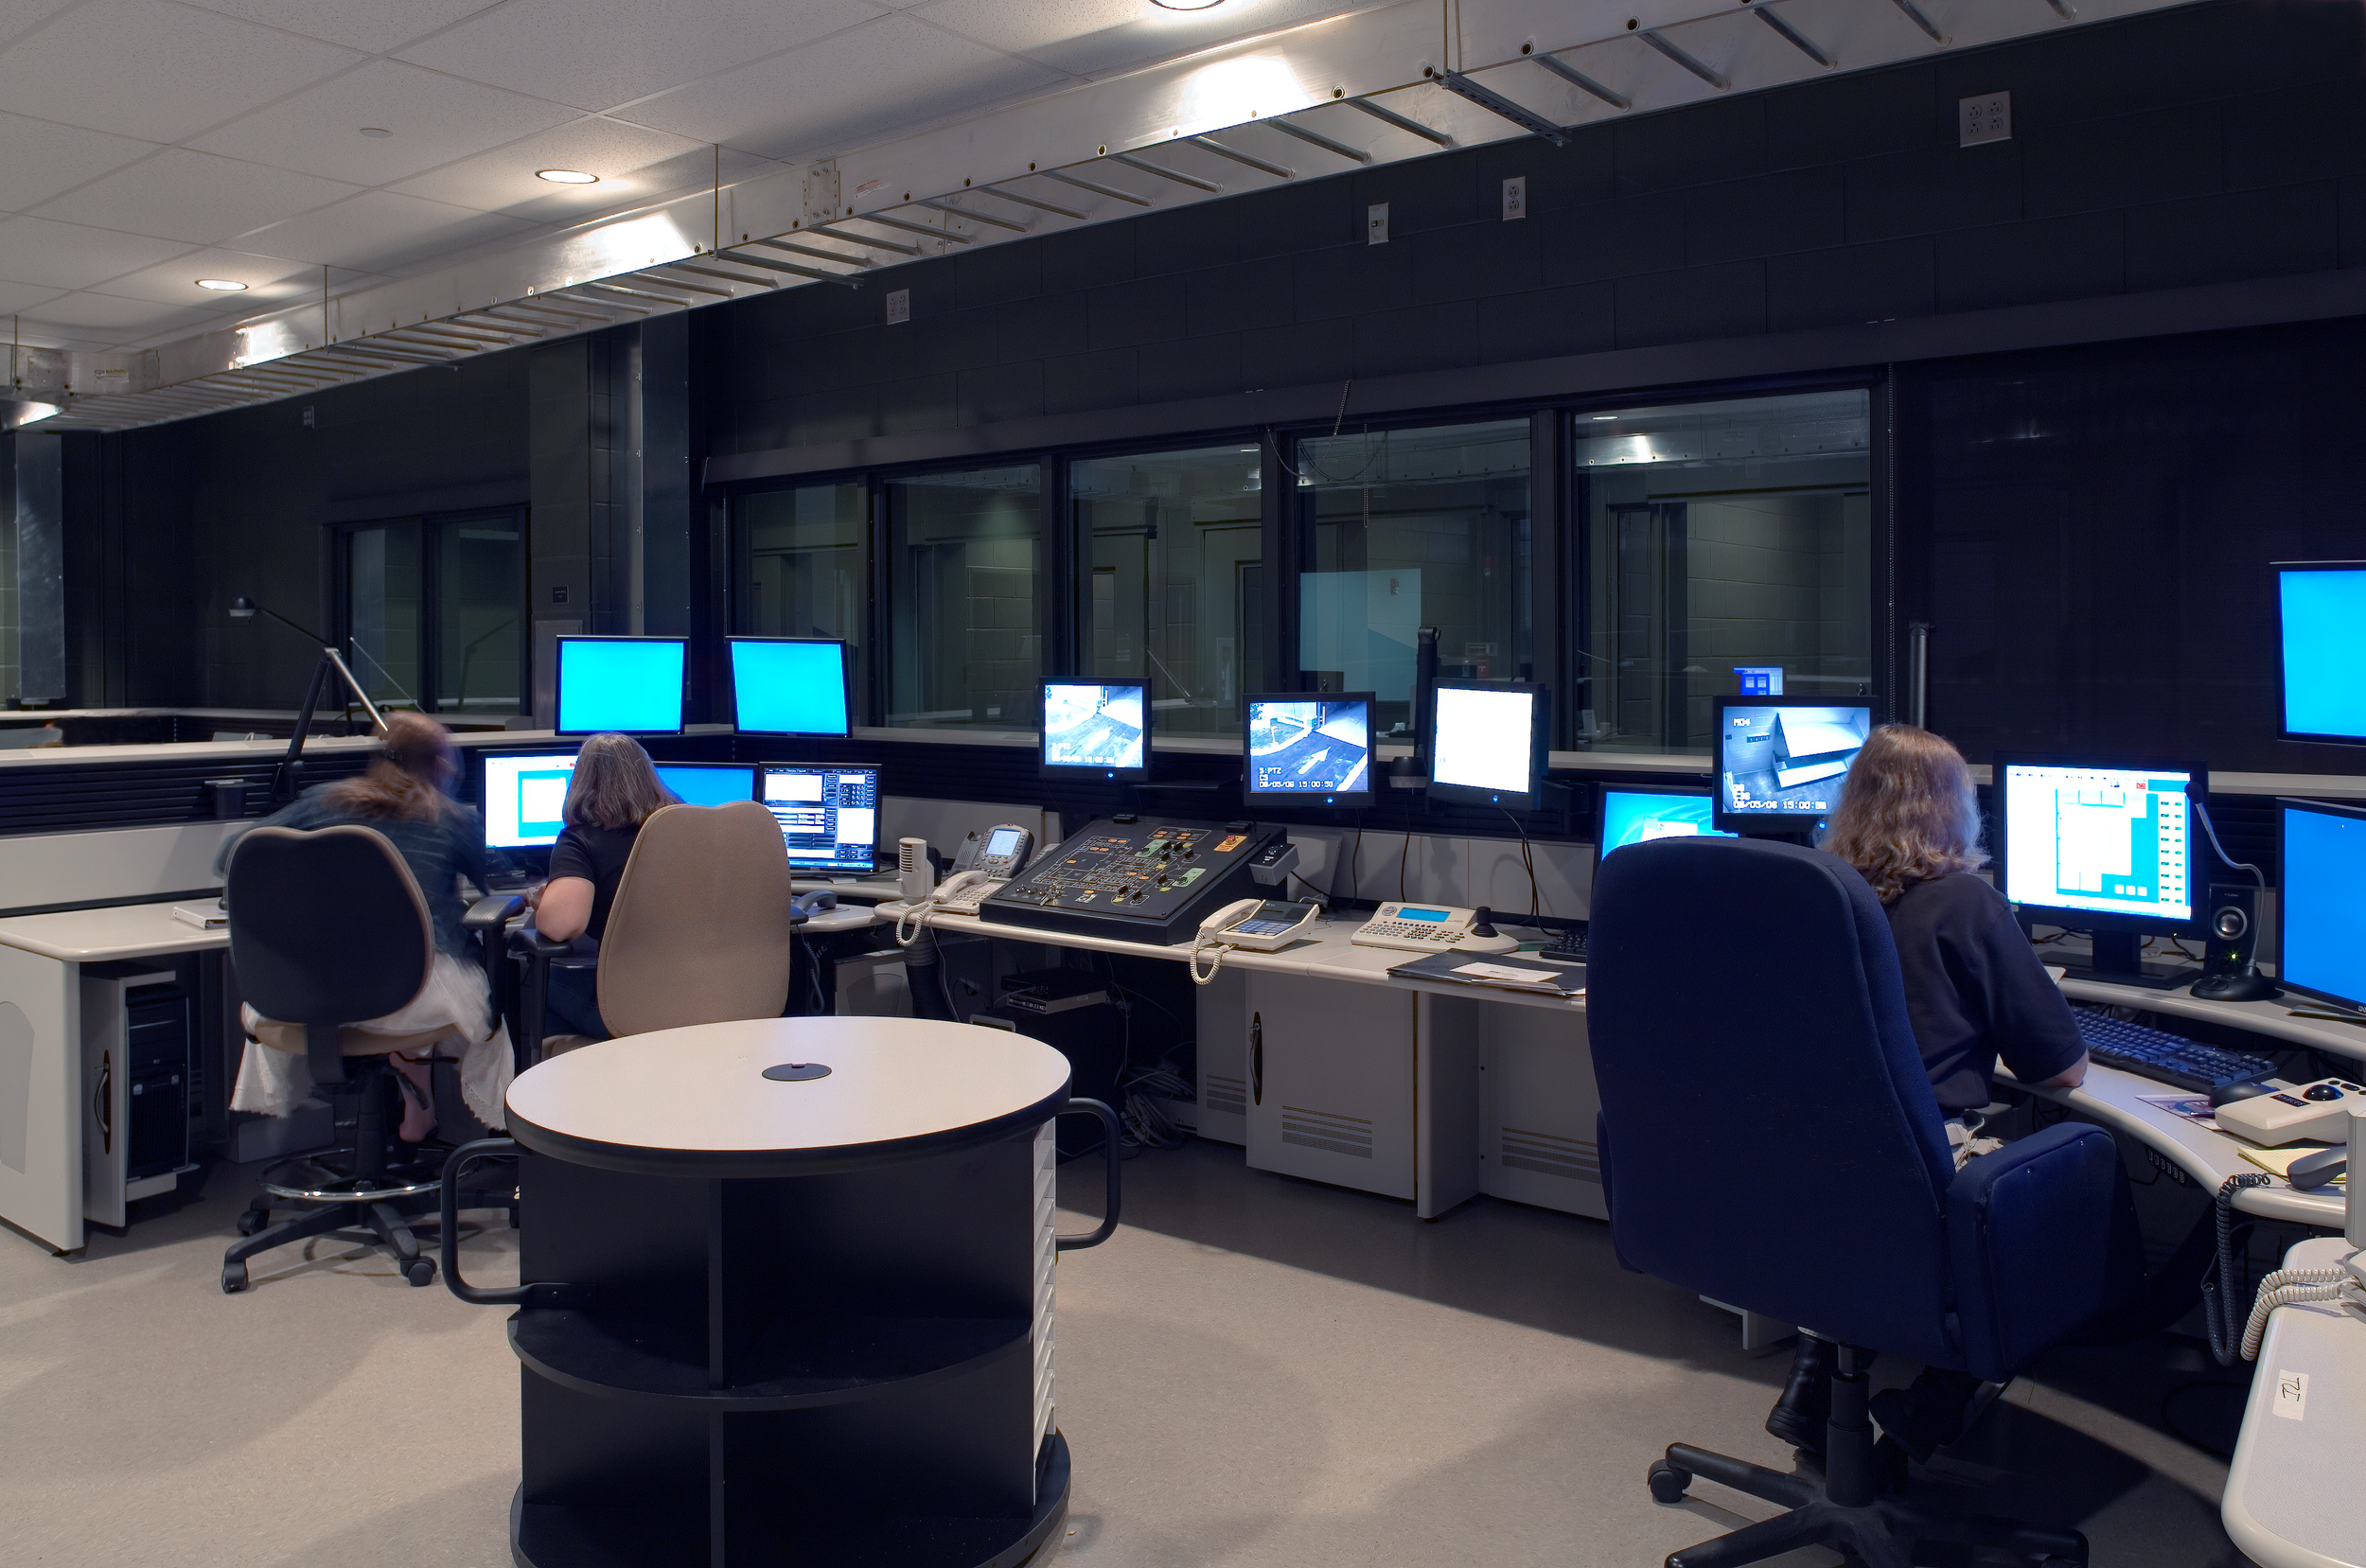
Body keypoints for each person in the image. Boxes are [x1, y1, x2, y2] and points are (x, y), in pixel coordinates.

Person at [1764, 723, 2091, 1462]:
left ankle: (1811, 1380)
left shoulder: (1814, 894)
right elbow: (2061, 1069)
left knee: (1863, 1199)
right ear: (1953, 809)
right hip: (1918, 1165)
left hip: (1806, 1163)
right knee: (2071, 1169)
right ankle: (1937, 1398)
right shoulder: (1967, 904)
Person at [220, 711, 510, 1139]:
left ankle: (416, 1110)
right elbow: (500, 878)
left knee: (397, 963)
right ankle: (498, 1129)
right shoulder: (451, 818)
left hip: (311, 989)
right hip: (410, 994)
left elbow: (232, 853)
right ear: (439, 765)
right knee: (444, 973)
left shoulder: (323, 803)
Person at [530, 732, 678, 1044]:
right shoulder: (685, 828)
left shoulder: (581, 840)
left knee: (526, 976)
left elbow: (561, 926)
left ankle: (554, 1082)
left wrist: (544, 903)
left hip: (632, 1005)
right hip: (705, 996)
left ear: (581, 781)